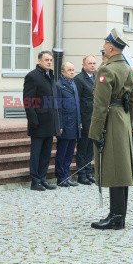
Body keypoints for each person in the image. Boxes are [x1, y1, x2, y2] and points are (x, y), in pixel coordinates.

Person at [89, 28, 133, 230]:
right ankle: (119, 214)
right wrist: (127, 122)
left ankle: (116, 217)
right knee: (122, 169)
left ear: (110, 47)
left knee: (115, 169)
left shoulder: (106, 70)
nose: (104, 48)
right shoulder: (128, 69)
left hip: (111, 120)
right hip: (123, 119)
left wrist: (95, 133)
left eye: (105, 45)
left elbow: (100, 105)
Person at [23, 51, 60, 191]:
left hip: (50, 122)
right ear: (39, 61)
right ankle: (35, 180)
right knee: (36, 153)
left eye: (51, 60)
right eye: (46, 60)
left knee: (46, 153)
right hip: (38, 122)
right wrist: (33, 121)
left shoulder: (51, 76)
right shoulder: (32, 76)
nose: (49, 62)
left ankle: (43, 178)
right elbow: (28, 101)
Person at [55, 61, 81, 187]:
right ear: (62, 72)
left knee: (70, 152)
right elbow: (58, 107)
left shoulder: (73, 84)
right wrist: (59, 125)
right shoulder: (59, 86)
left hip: (74, 123)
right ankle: (60, 177)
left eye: (73, 69)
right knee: (62, 151)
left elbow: (77, 106)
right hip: (65, 124)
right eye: (69, 70)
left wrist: (79, 121)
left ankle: (66, 175)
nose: (72, 72)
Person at [73, 55, 97, 185]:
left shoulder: (97, 78)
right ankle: (81, 174)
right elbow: (77, 101)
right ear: (83, 65)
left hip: (94, 118)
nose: (92, 65)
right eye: (90, 63)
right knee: (83, 148)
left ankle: (88, 172)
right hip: (85, 117)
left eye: (94, 63)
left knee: (90, 148)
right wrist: (80, 120)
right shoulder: (79, 79)